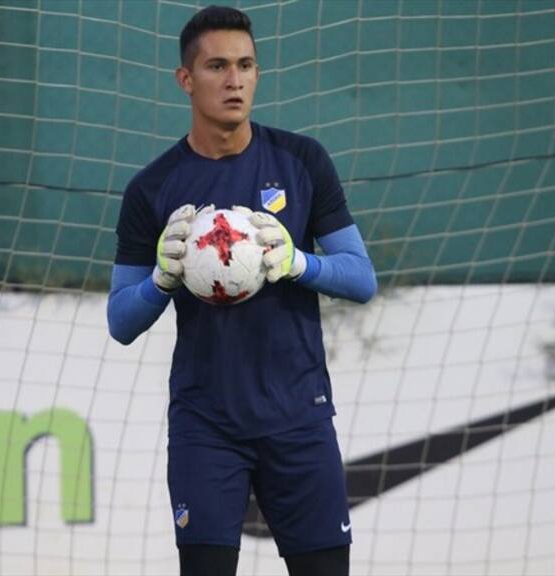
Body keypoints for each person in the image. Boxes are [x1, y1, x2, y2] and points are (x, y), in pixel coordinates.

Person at [107, 6, 377, 575]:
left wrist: (299, 263)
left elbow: (361, 277)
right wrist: (162, 280)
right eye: (218, 66)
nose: (235, 80)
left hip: (300, 416)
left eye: (246, 65)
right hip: (207, 424)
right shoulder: (152, 188)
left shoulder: (301, 161)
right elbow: (120, 321)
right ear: (186, 79)